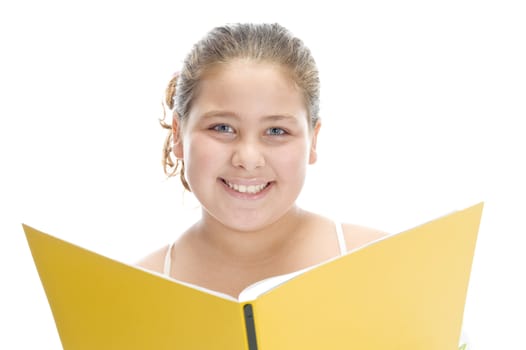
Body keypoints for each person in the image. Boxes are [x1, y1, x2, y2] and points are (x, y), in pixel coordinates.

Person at [138, 23, 386, 298]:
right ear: (178, 134)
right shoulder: (134, 290)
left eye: (276, 131)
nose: (248, 158)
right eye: (222, 127)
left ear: (313, 140)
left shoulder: (381, 262)